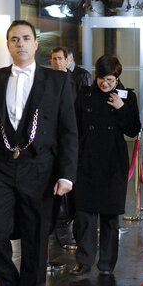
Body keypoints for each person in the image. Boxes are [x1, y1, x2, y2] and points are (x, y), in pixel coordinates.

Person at [0, 20, 78, 286]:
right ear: (8, 45)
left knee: (34, 242)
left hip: (40, 170)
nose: (20, 44)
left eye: (26, 38)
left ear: (36, 44)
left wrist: (66, 175)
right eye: (14, 39)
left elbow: (69, 132)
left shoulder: (57, 81)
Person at [69, 55, 141, 276]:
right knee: (84, 215)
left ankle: (107, 264)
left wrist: (121, 108)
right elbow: (75, 127)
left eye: (110, 79)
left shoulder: (127, 96)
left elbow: (133, 129)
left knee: (110, 217)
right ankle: (84, 260)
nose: (105, 84)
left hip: (113, 162)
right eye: (101, 78)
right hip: (87, 160)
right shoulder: (85, 94)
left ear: (117, 76)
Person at [49, 46, 91, 250]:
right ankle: (60, 228)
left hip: (73, 138)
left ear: (68, 60)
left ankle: (69, 225)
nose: (57, 62)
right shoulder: (47, 80)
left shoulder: (80, 78)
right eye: (53, 59)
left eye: (60, 58)